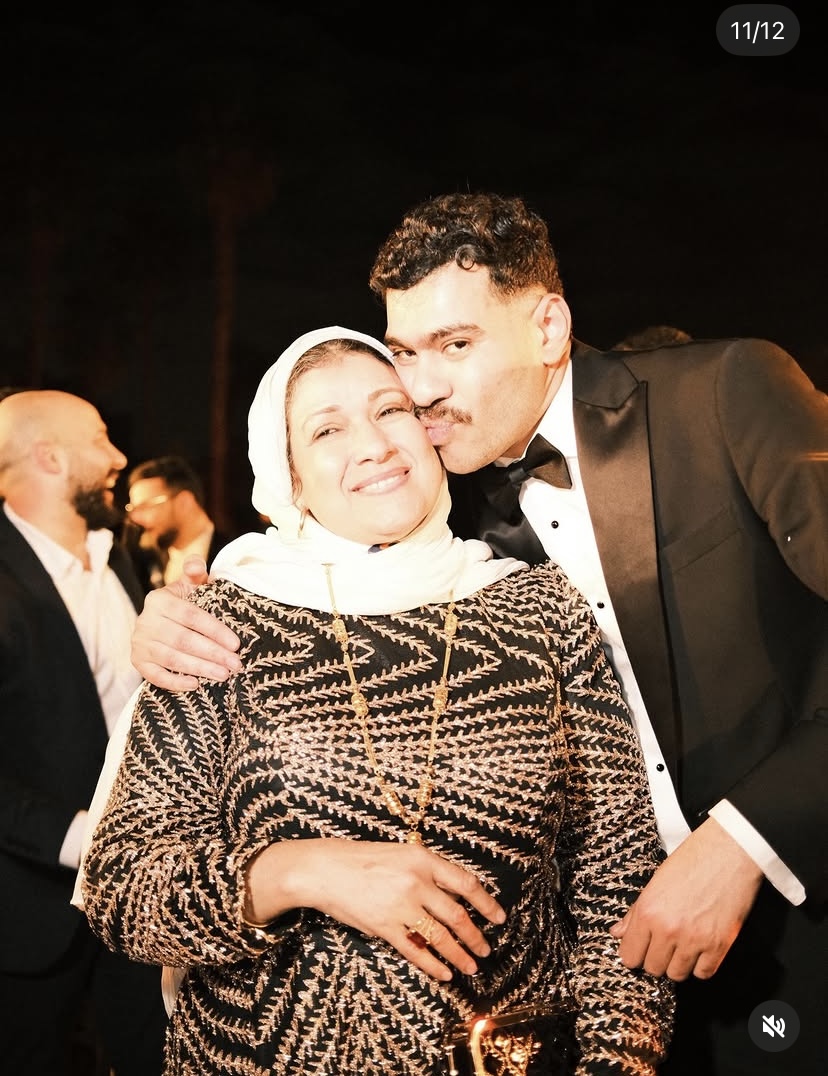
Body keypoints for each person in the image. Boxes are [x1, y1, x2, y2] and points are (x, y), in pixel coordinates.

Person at [133, 193, 827, 1075]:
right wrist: (165, 619)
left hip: (799, 901)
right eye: (406, 353)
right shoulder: (438, 505)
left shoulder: (724, 393)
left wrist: (743, 839)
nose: (420, 390)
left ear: (549, 327)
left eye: (455, 345)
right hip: (609, 980)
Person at [79, 327, 674, 1075]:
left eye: (391, 410)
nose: (372, 446)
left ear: (430, 432)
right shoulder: (219, 627)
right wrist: (297, 871)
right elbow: (124, 888)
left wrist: (619, 1062)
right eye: (326, 430)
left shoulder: (540, 610)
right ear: (289, 477)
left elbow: (615, 870)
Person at [0, 390, 167, 1075]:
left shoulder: (116, 556)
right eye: (100, 439)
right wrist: (82, 839)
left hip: (145, 892)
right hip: (28, 910)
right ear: (50, 458)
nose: (119, 457)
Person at [121, 454, 232, 592]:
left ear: (184, 502)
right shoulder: (144, 564)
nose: (135, 518)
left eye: (145, 507)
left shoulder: (235, 557)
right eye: (133, 510)